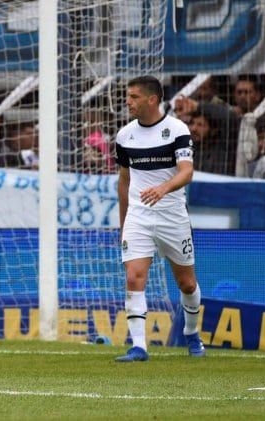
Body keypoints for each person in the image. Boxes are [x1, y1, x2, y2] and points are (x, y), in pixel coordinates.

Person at [113, 75, 205, 362]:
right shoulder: (124, 135)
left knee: (187, 284)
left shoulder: (177, 130)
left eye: (134, 96)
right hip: (139, 216)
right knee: (133, 276)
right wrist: (124, 223)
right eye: (128, 96)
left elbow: (186, 171)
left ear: (152, 99)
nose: (128, 101)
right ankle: (139, 346)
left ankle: (191, 332)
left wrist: (163, 189)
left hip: (172, 216)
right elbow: (124, 181)